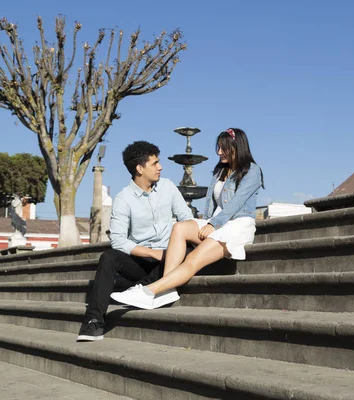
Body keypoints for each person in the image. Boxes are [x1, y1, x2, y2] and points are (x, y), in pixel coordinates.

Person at [110, 128, 263, 309]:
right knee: (180, 227)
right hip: (216, 223)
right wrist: (205, 223)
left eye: (224, 148)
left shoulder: (252, 171)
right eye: (219, 148)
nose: (219, 152)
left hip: (236, 225)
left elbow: (235, 204)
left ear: (237, 147)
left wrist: (213, 225)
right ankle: (166, 291)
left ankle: (148, 291)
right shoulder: (220, 171)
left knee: (193, 259)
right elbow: (212, 206)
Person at [76, 141, 193, 341]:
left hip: (171, 256)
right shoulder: (123, 199)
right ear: (139, 168)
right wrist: (151, 252)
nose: (160, 167)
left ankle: (147, 288)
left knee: (189, 248)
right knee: (109, 257)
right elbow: (119, 241)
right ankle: (93, 322)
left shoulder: (168, 187)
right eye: (155, 163)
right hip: (143, 260)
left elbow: (187, 219)